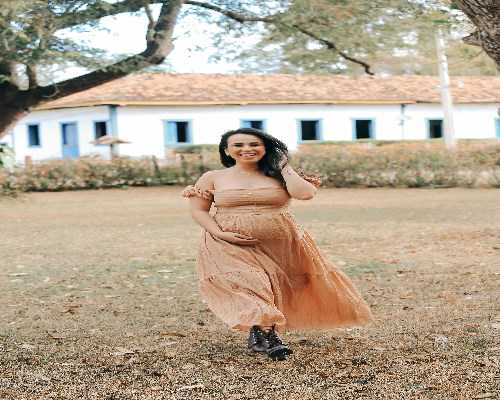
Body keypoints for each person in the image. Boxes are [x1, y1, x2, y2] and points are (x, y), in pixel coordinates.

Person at [182, 128, 373, 361]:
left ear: (265, 148)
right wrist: (220, 234)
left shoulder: (280, 174)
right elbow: (198, 210)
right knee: (251, 283)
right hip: (227, 243)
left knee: (270, 288)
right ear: (227, 151)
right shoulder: (213, 177)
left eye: (254, 144)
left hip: (281, 245)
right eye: (238, 145)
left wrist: (283, 166)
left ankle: (259, 333)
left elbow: (306, 194)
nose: (247, 149)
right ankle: (270, 337)